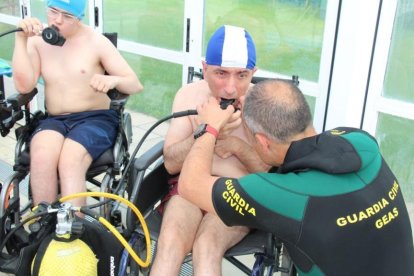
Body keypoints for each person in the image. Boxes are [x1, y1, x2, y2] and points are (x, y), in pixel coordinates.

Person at [178, 79, 414, 275]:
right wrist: (240, 148)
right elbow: (297, 179)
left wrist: (208, 128)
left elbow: (190, 185)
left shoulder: (289, 199)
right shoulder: (359, 141)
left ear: (263, 141)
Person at [150, 25, 268, 276]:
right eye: (221, 73)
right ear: (204, 68)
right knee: (169, 246)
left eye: (242, 75)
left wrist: (239, 144)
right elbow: (171, 163)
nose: (230, 88)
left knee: (206, 247)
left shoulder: (263, 105)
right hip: (189, 190)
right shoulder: (188, 96)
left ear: (254, 73)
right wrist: (207, 132)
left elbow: (267, 172)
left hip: (238, 192)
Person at [12, 0, 143, 207]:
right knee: (41, 154)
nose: (57, 20)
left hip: (95, 119)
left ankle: (73, 228)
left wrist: (113, 80)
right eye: (53, 11)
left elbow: (135, 84)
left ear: (80, 17)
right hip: (55, 119)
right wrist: (21, 39)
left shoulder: (96, 41)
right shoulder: (38, 41)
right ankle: (42, 222)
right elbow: (24, 86)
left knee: (70, 159)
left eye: (67, 16)